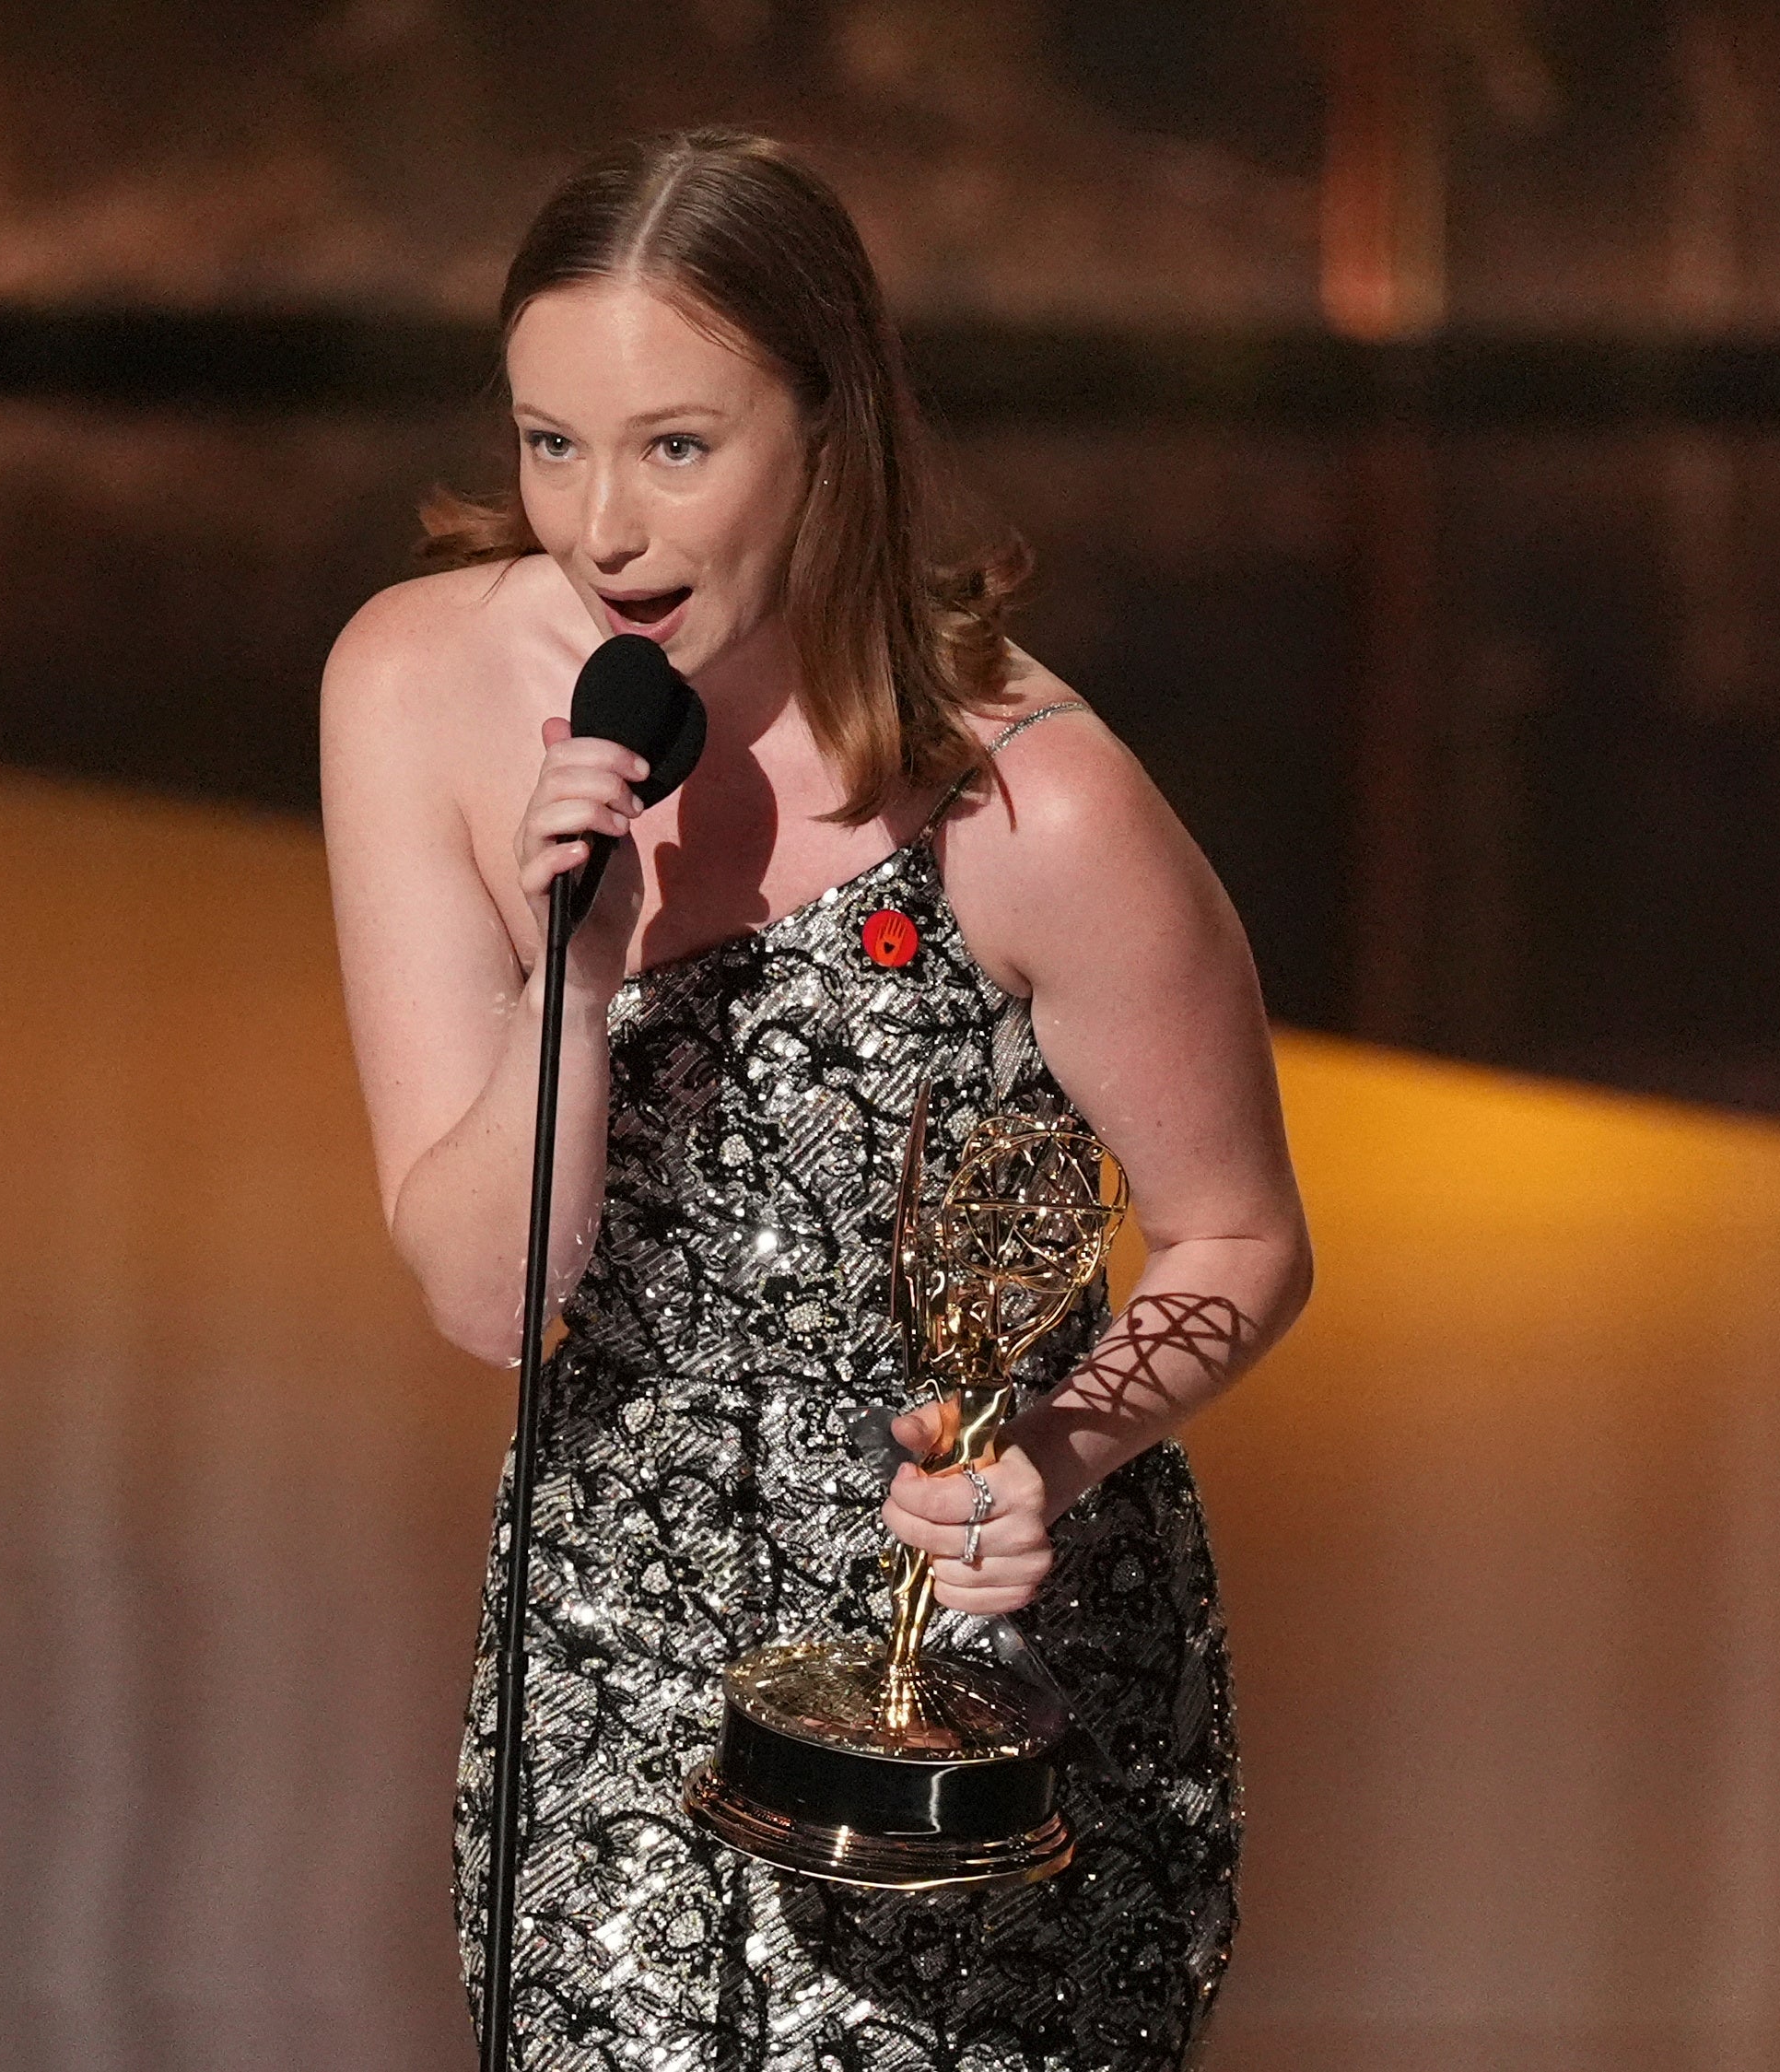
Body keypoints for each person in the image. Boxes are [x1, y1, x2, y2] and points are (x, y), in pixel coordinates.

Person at [321, 129, 1311, 2068]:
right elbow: (475, 1291)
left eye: (677, 448)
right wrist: (579, 973)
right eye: (550, 444)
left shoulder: (1032, 804)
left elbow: (1236, 1234)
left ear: (829, 434)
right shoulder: (415, 687)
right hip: (613, 1628)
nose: (603, 525)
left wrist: (1053, 1454)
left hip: (975, 1673)